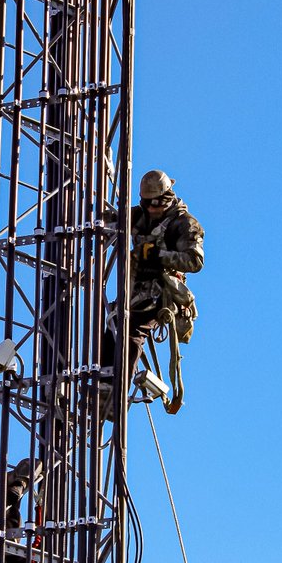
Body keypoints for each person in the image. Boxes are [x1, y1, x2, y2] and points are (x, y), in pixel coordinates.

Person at [102, 169, 204, 395]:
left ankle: (114, 391)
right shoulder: (141, 214)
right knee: (113, 326)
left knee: (132, 331)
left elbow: (195, 261)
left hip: (162, 292)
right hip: (135, 288)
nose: (151, 209)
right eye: (147, 204)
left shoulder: (184, 223)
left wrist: (158, 255)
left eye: (155, 204)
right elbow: (108, 222)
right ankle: (104, 384)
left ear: (166, 198)